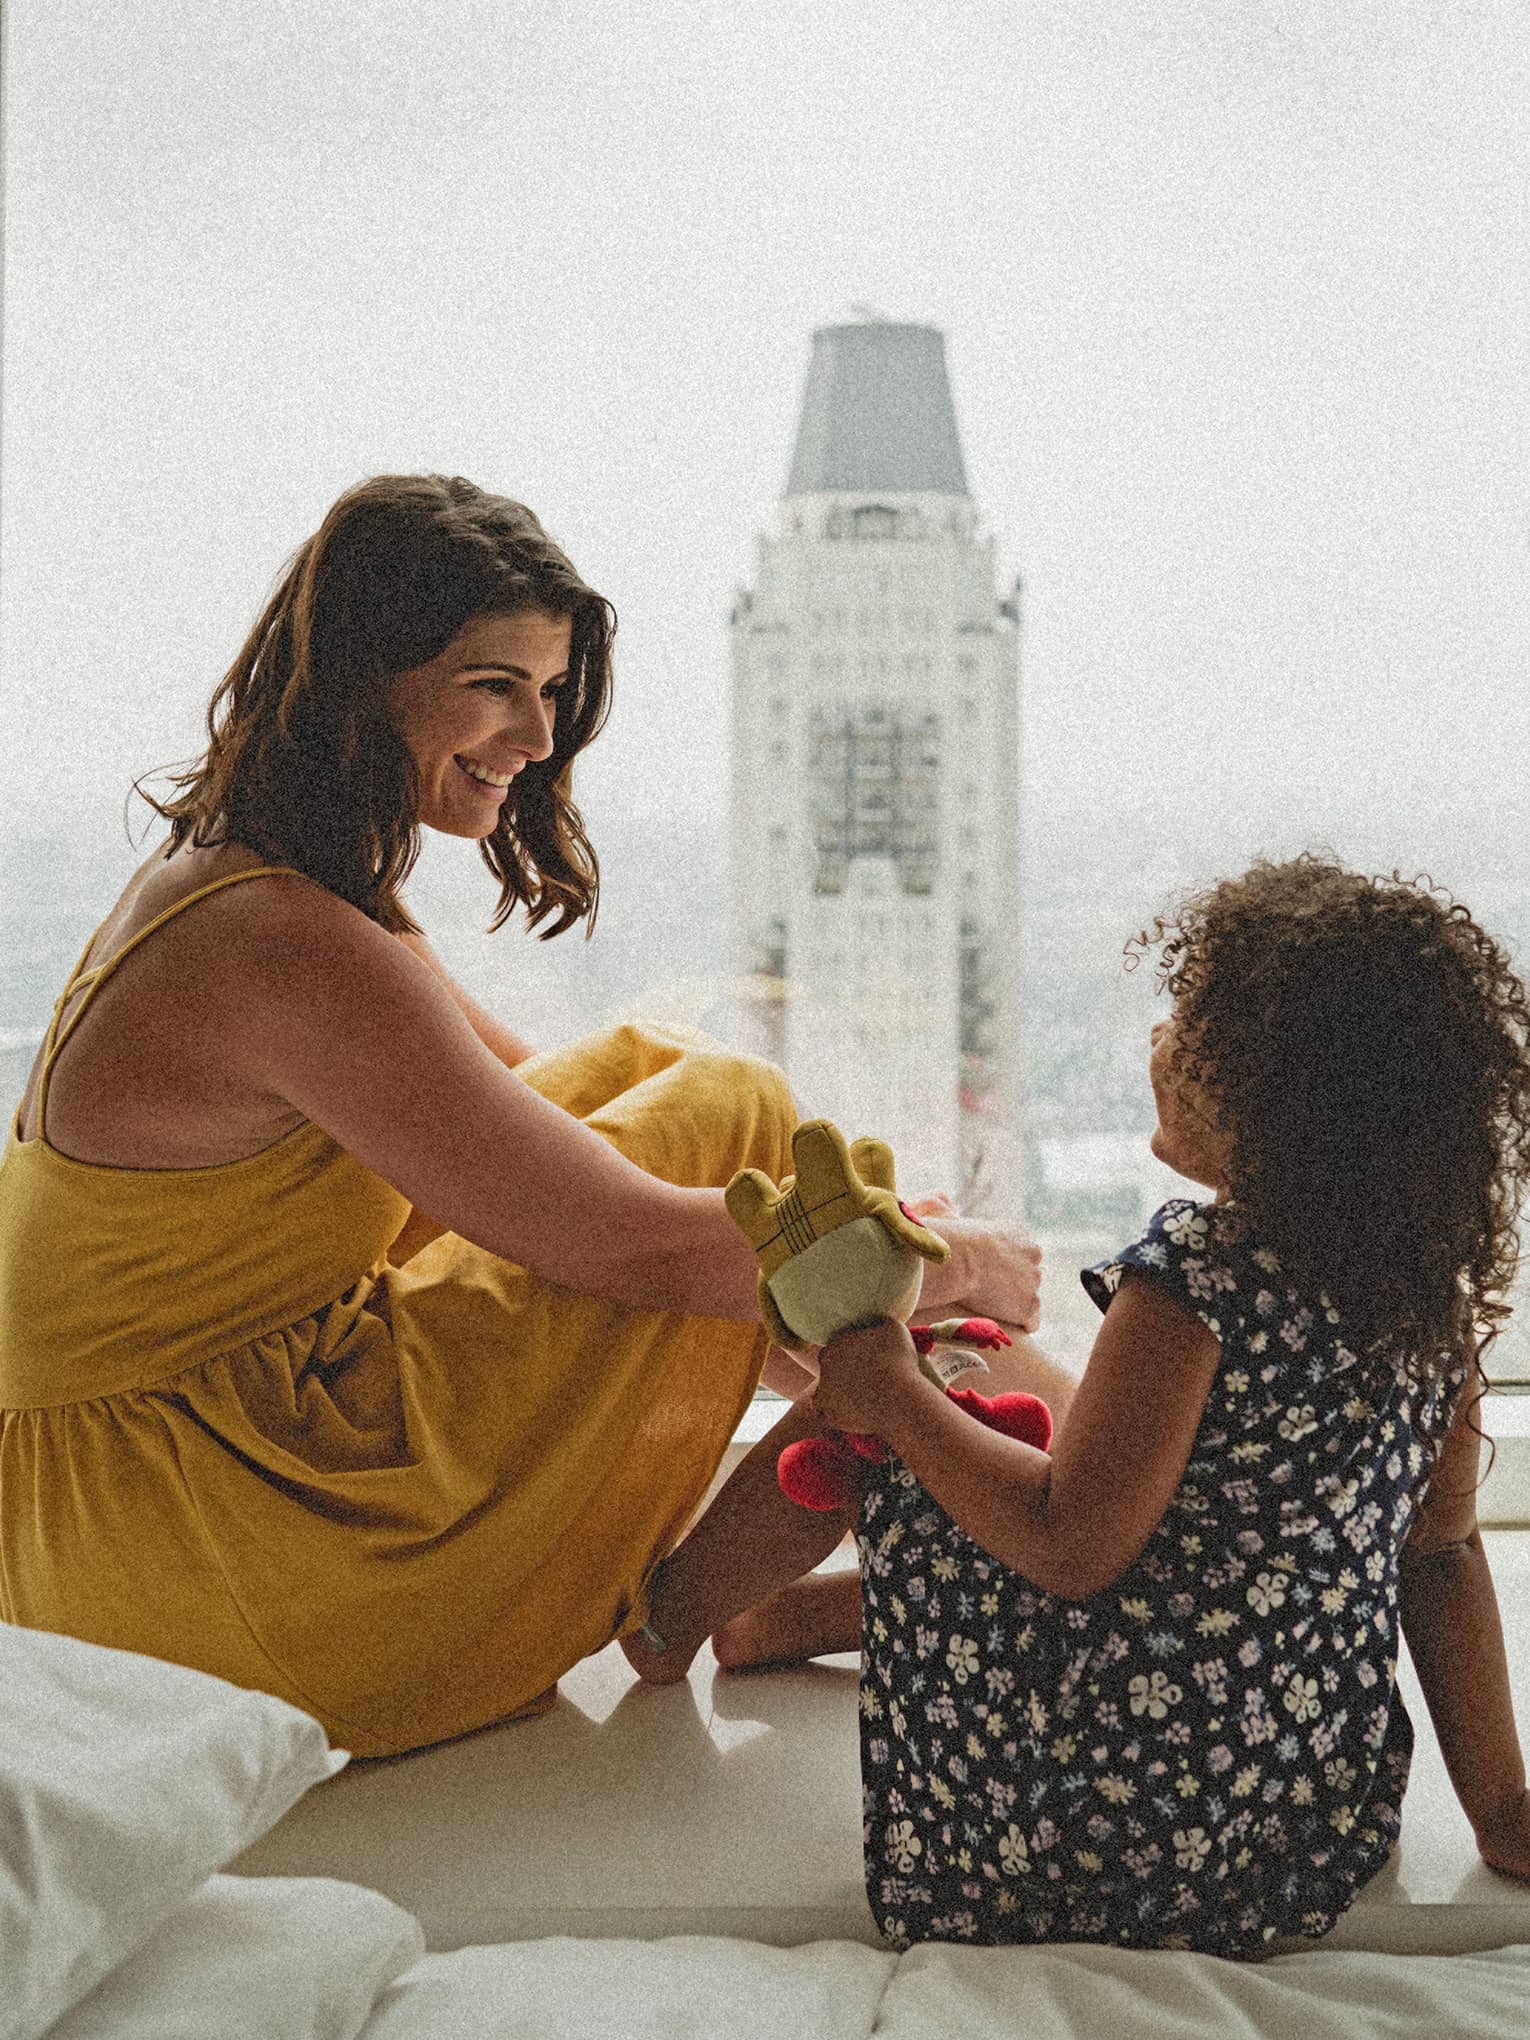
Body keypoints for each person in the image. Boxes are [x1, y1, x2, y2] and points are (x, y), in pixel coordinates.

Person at [0, 473, 1040, 1758]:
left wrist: (826, 1322)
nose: (539, 740)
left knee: (670, 1073)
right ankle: (1083, 1504)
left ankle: (1040, 1494)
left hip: (121, 1544)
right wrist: (949, 1267)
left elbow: (546, 1126)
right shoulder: (285, 946)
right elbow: (628, 1240)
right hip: (224, 1570)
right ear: (362, 678)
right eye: (495, 686)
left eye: (549, 694)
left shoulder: (267, 888)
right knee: (734, 1107)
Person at [639, 854, 1530, 1956]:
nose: (1162, 1043)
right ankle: (797, 1618)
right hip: (1288, 1827)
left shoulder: (1194, 1281)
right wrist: (1500, 1809)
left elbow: (1070, 1547)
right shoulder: (1425, 1303)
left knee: (925, 1367)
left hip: (1079, 1828)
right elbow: (1439, 1557)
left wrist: (894, 1393)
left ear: (1269, 1103)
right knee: (1006, 1368)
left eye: (1190, 1024)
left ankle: (664, 1620)